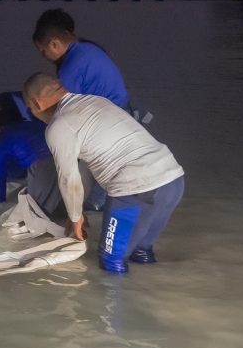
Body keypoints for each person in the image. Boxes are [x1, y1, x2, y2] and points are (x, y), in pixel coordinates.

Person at [22, 73, 185, 273]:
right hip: (173, 179)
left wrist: (74, 219)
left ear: (37, 104)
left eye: (29, 109)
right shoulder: (96, 101)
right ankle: (148, 294)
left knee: (111, 262)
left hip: (135, 188)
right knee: (140, 253)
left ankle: (112, 302)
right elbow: (86, 167)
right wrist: (77, 212)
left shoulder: (59, 126)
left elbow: (68, 179)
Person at [0, 91, 63, 219]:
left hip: (43, 167)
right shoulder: (32, 124)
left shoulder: (1, 141)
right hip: (64, 160)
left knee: (36, 218)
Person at [32, 8, 129, 109]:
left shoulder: (71, 66)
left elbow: (64, 110)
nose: (43, 56)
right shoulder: (89, 49)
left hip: (109, 117)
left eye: (43, 51)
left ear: (54, 44)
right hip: (122, 112)